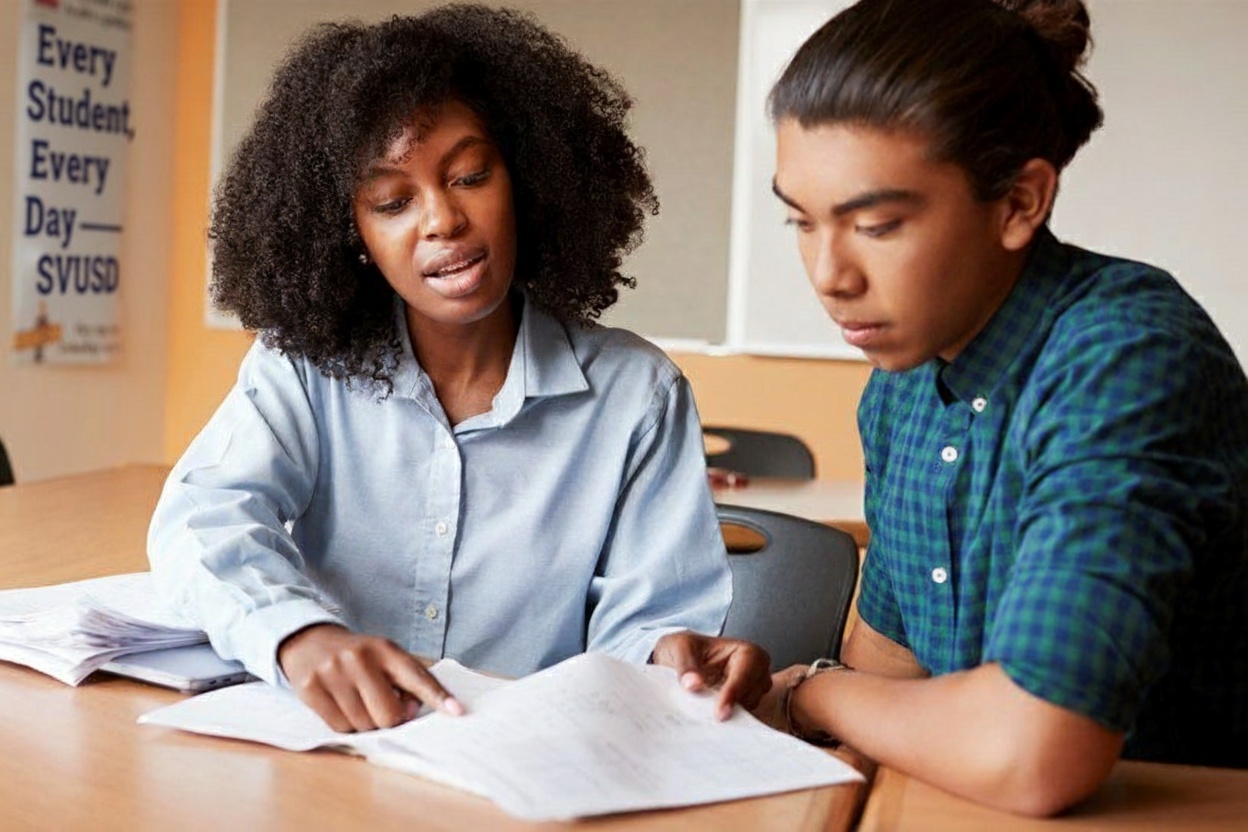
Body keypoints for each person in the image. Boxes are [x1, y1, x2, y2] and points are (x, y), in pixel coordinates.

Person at [148, 5, 769, 734]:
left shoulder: (637, 395)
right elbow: (203, 518)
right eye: (392, 201)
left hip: (527, 760)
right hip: (337, 751)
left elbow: (646, 627)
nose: (442, 220)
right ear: (352, 233)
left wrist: (669, 655)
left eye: (470, 175)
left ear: (527, 180)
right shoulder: (305, 369)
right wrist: (296, 634)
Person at [755, 0, 1248, 816]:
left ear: (1020, 202)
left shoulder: (1126, 359)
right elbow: (888, 670)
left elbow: (1035, 752)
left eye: (875, 224)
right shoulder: (901, 385)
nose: (828, 275)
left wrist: (810, 692)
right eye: (800, 222)